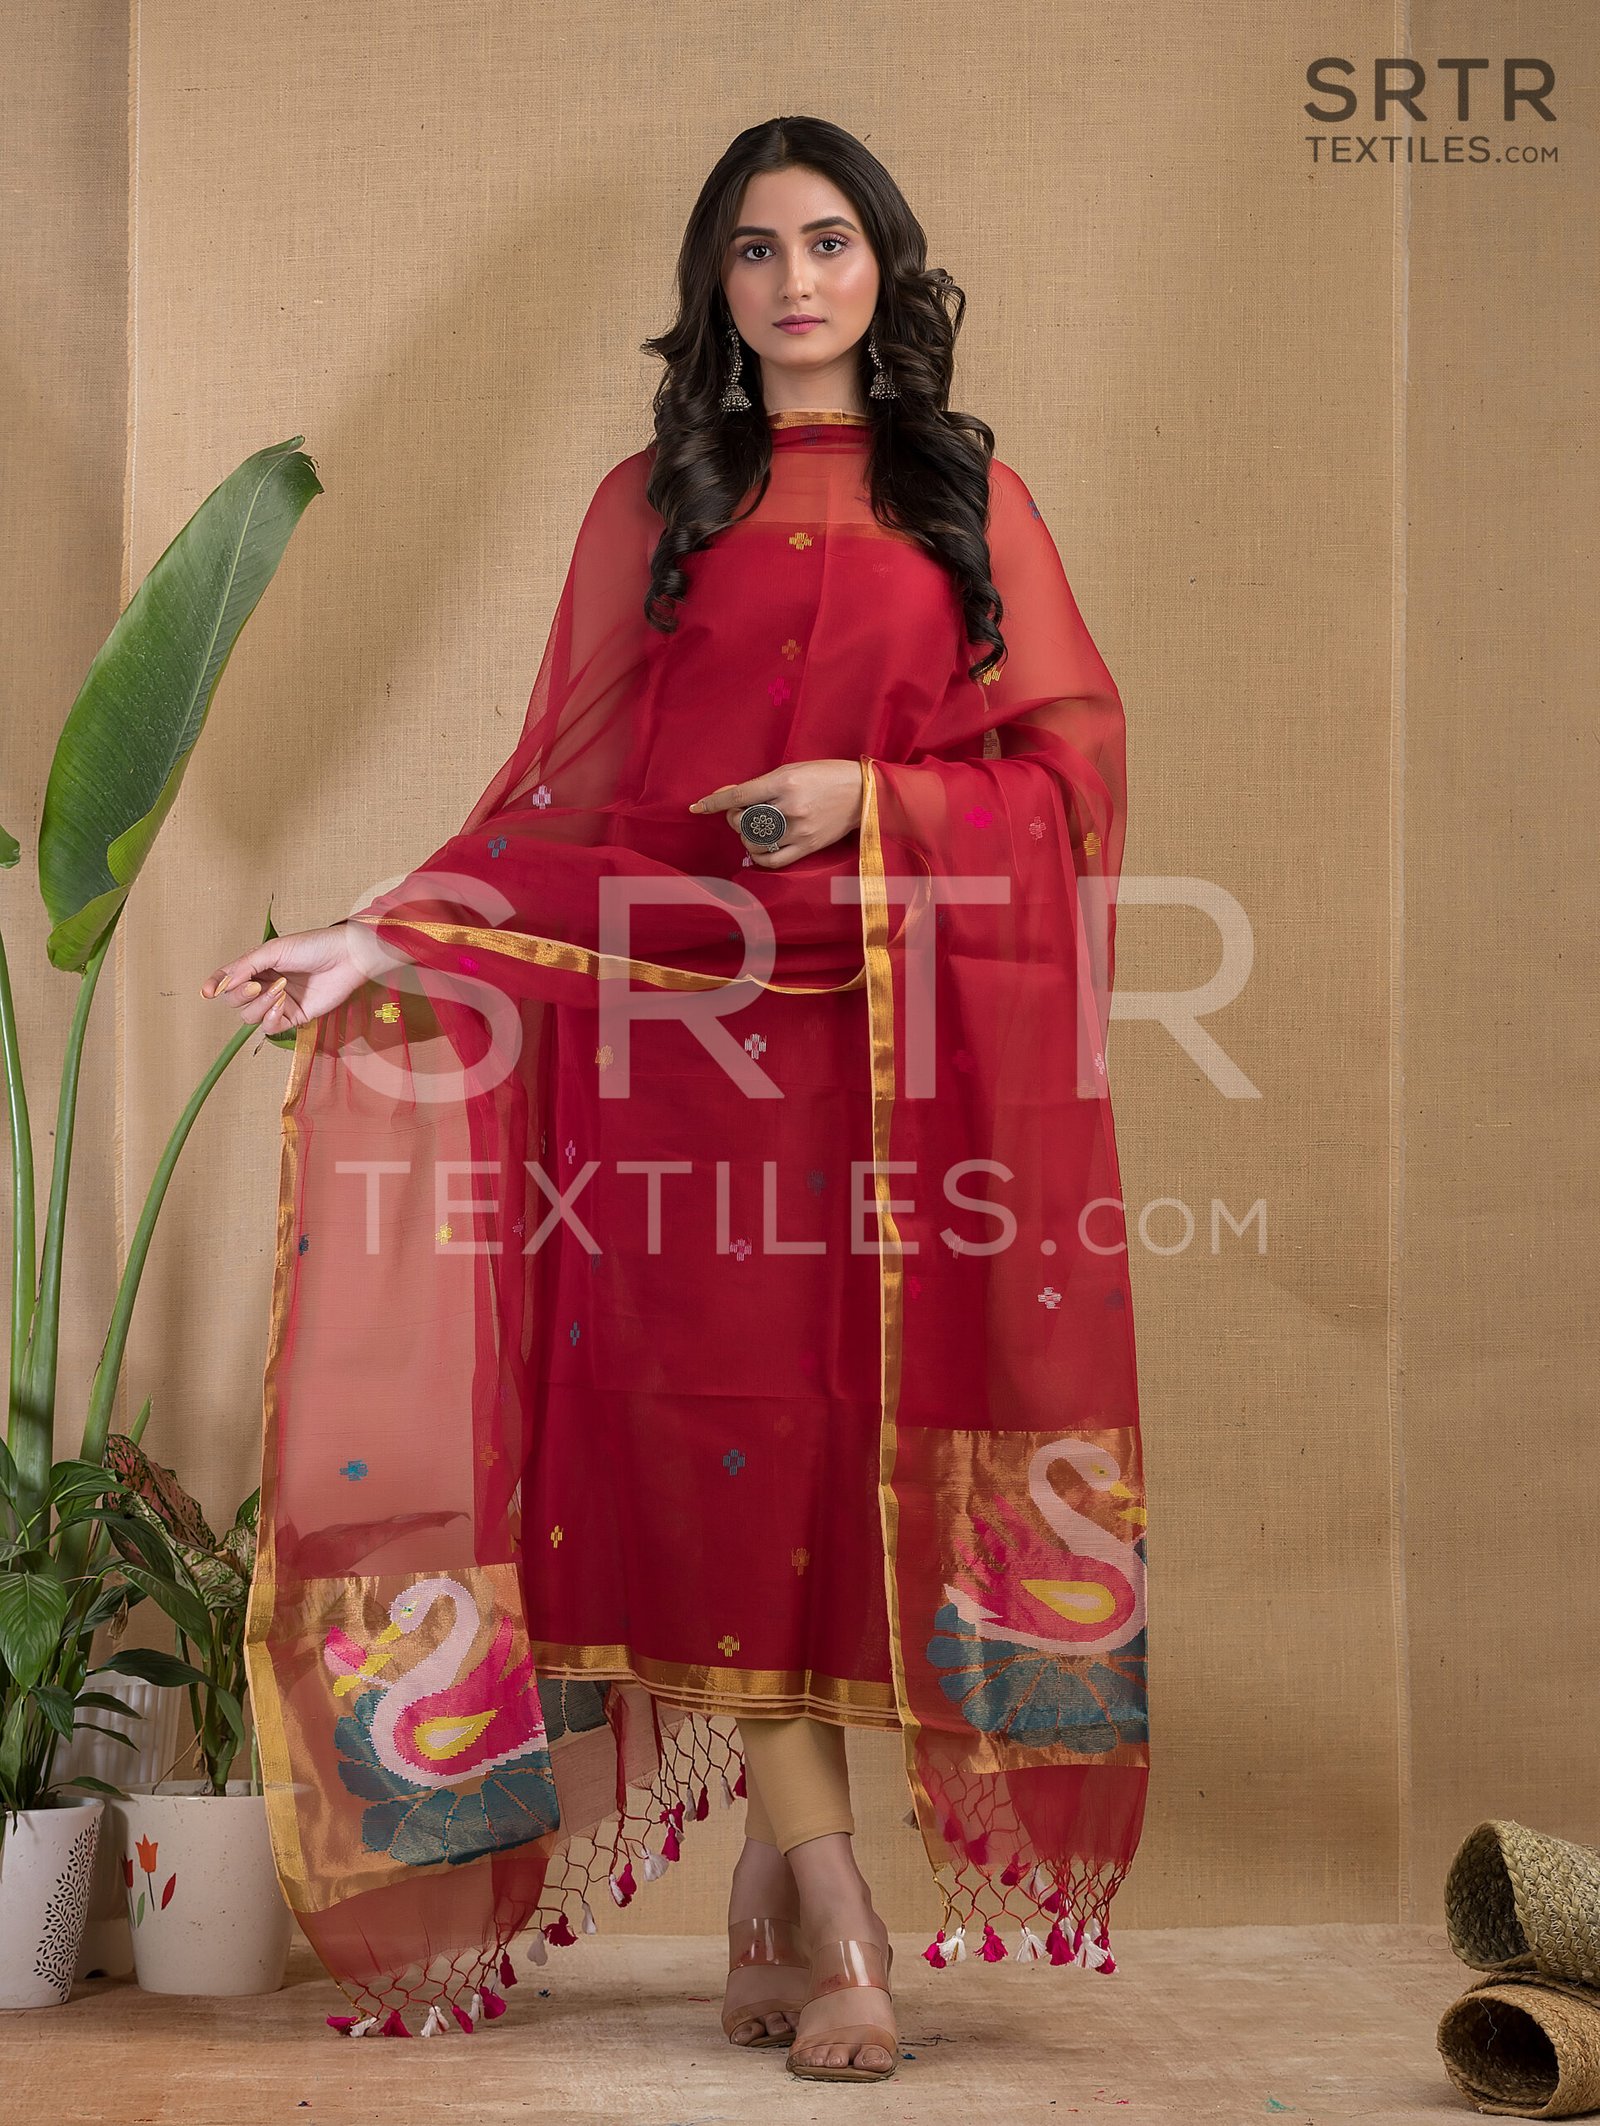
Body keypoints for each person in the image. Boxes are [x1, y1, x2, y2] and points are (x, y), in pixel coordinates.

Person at [207, 116, 1147, 2085]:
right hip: (679, 1057)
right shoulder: (654, 503)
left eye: (829, 241)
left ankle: (766, 1896)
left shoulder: (969, 497)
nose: (795, 280)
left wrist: (864, 799)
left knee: (836, 1467)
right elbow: (565, 802)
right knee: (722, 1461)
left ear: (886, 266)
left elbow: (1064, 784)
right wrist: (385, 932)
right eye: (753, 248)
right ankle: (845, 1918)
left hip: (896, 1066)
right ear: (715, 284)